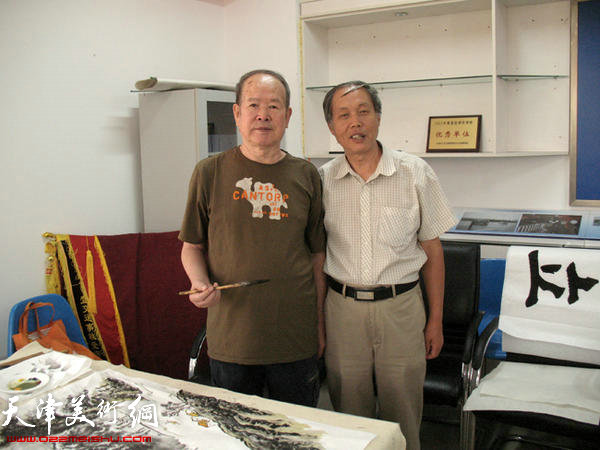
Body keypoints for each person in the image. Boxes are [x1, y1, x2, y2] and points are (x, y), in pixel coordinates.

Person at [319, 81, 456, 450]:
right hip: (343, 311)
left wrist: (436, 320)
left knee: (404, 415)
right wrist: (317, 323)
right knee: (350, 419)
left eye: (363, 111)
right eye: (343, 115)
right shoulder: (322, 181)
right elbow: (316, 257)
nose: (355, 122)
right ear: (332, 127)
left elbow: (433, 252)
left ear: (378, 117)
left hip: (402, 309)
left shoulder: (415, 173)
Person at [179, 69, 326, 407]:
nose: (263, 115)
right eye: (254, 105)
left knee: (297, 428)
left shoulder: (306, 174)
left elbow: (317, 256)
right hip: (233, 340)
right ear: (237, 113)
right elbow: (191, 247)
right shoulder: (209, 172)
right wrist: (199, 284)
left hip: (295, 338)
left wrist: (319, 324)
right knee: (236, 428)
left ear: (287, 116)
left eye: (274, 106)